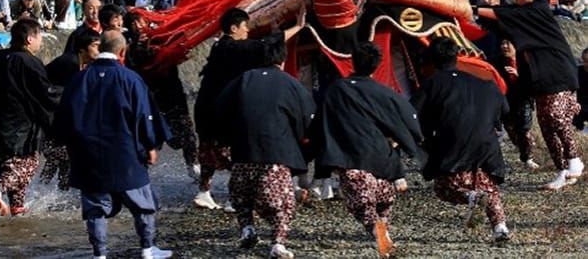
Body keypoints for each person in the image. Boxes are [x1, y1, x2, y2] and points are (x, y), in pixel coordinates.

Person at [53, 31, 172, 259]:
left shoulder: (79, 79)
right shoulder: (131, 79)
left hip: (87, 155)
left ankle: (100, 254)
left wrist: (67, 146)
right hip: (125, 153)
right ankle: (147, 249)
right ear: (122, 51)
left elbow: (64, 118)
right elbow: (144, 115)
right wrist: (150, 145)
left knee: (95, 208)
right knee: (142, 204)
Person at [311, 42, 424, 258]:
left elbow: (321, 122)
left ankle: (377, 230)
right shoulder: (384, 91)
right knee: (383, 201)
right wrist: (412, 140)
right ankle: (383, 232)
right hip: (383, 158)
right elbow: (409, 119)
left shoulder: (336, 89)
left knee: (361, 203)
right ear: (376, 65)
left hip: (350, 157)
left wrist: (316, 155)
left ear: (352, 61)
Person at [477, 0, 584, 190]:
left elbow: (499, 14)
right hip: (539, 78)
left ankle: (575, 160)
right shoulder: (520, 10)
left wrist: (472, 8)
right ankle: (562, 170)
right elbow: (498, 17)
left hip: (558, 73)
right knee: (546, 127)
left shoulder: (538, 10)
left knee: (556, 116)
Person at [193, 6, 306, 210]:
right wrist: (297, 27)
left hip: (206, 109)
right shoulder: (232, 47)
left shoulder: (220, 47)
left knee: (208, 152)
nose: (247, 31)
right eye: (245, 26)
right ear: (234, 28)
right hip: (221, 111)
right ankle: (234, 198)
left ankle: (204, 191)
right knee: (236, 155)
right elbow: (263, 47)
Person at [217, 36, 316, 259]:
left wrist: (225, 144)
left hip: (243, 151)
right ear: (282, 59)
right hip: (276, 153)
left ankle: (247, 228)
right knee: (282, 203)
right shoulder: (290, 83)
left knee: (242, 198)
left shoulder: (242, 80)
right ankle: (278, 243)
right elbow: (308, 118)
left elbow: (220, 110)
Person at [412, 37, 511, 242]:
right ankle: (500, 228)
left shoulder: (432, 84)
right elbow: (505, 109)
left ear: (433, 61)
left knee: (445, 188)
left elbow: (412, 113)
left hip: (453, 144)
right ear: (456, 56)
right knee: (488, 186)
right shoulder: (484, 83)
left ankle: (471, 197)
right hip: (487, 143)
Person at [0, 18, 58, 216]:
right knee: (29, 164)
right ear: (30, 39)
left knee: (9, 165)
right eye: (39, 36)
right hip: (19, 127)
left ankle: (17, 207)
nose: (41, 41)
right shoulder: (28, 61)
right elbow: (45, 93)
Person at [125, 10, 200, 181]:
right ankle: (139, 171)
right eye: (134, 23)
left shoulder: (163, 39)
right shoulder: (131, 48)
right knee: (150, 135)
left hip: (172, 94)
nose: (138, 26)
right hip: (150, 98)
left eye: (141, 22)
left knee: (186, 131)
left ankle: (192, 164)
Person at [40, 28, 101, 190]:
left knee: (62, 160)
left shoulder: (81, 64)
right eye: (95, 46)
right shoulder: (70, 63)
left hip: (56, 119)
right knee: (65, 156)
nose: (99, 50)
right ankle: (40, 193)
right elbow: (70, 98)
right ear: (83, 48)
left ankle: (48, 195)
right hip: (48, 120)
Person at [497, 39, 539, 170]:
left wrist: (518, 75)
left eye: (507, 43)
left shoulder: (526, 60)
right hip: (505, 100)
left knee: (524, 129)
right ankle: (523, 150)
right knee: (511, 130)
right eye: (502, 43)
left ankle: (528, 158)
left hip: (523, 99)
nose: (504, 46)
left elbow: (533, 80)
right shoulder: (496, 61)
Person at [573, 47, 588, 133]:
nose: (586, 63)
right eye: (585, 60)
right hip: (579, 104)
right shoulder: (577, 71)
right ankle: (580, 129)